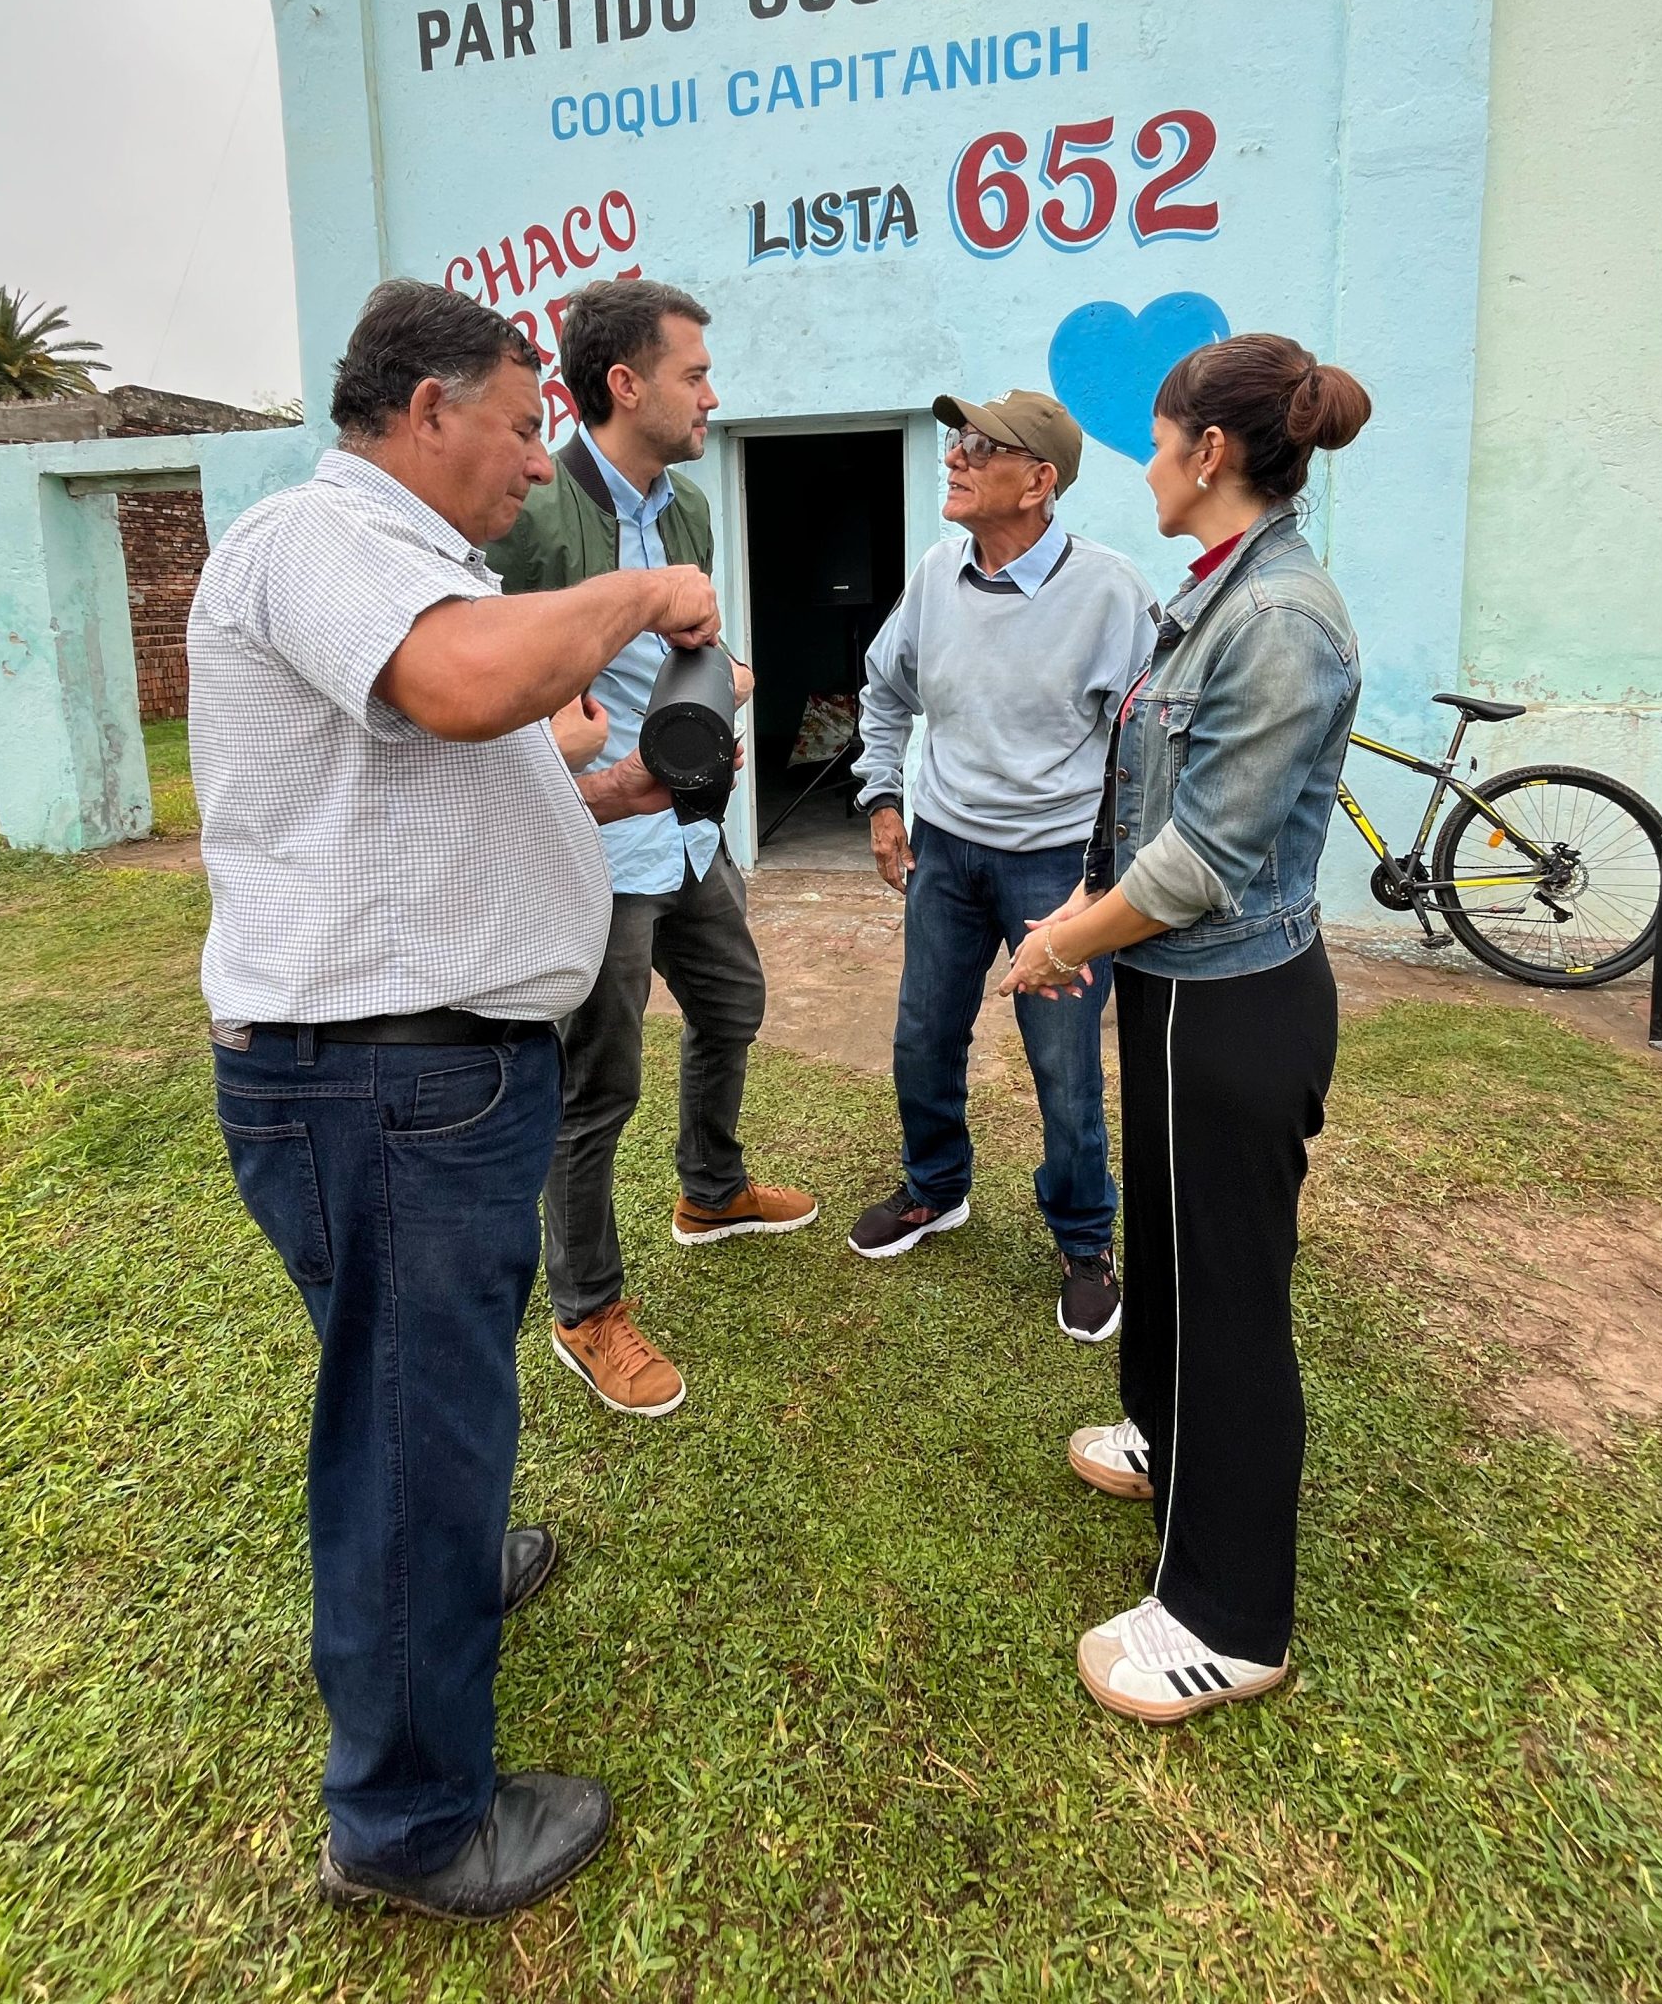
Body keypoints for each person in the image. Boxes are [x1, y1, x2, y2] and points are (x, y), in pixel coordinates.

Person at [190, 279, 725, 1921]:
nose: (536, 461)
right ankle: (412, 1827)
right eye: (516, 426)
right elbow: (457, 687)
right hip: (382, 1081)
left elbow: (465, 773)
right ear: (427, 411)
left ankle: (446, 1580)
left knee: (423, 1399)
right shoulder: (320, 539)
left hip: (423, 1080)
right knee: (414, 1434)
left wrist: (625, 785)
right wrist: (647, 590)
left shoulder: (428, 578)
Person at [1000, 333, 1372, 1726]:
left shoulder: (1280, 618)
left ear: (1209, 452)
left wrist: (1061, 942)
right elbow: (1150, 805)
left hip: (1233, 1001)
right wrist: (1091, 911)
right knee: (1168, 1250)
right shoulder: (1220, 589)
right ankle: (1167, 1437)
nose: (1146, 467)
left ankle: (1228, 1615)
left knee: (1229, 1296)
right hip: (1177, 987)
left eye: (1156, 444)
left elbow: (1206, 858)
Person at [488, 278, 815, 1418]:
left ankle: (710, 1191)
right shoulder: (535, 518)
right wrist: (570, 752)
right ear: (625, 385)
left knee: (733, 1005)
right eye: (695, 374)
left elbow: (680, 649)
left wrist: (717, 681)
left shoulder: (689, 510)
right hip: (595, 845)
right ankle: (585, 1309)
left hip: (688, 831)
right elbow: (489, 675)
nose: (712, 396)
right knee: (596, 1087)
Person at [847, 389, 1159, 1342]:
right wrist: (884, 799)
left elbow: (1145, 749)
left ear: (1038, 481)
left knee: (1064, 1064)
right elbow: (884, 688)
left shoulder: (1110, 593)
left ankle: (1084, 1238)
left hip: (1056, 867)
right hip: (945, 851)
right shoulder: (935, 575)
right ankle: (935, 1188)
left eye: (980, 446)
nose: (954, 457)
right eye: (955, 441)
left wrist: (1102, 879)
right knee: (923, 1034)